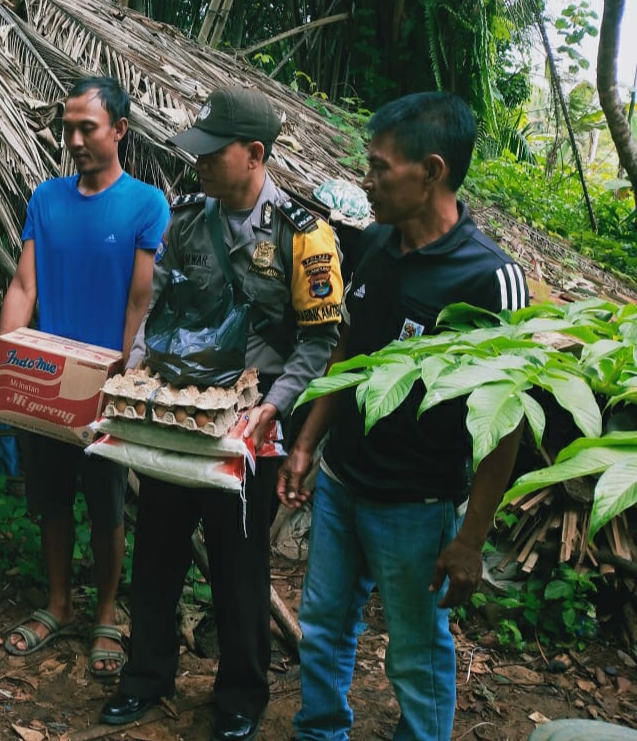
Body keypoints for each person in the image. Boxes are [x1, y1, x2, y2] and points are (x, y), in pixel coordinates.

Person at [277, 92, 529, 741]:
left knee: (417, 653)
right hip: (341, 482)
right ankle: (319, 731)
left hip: (415, 506)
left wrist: (470, 537)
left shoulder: (489, 279)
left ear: (433, 171)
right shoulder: (373, 245)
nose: (367, 179)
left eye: (381, 167)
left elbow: (504, 422)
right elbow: (346, 346)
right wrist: (308, 443)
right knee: (325, 623)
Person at [100, 86, 344, 741]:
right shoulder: (185, 219)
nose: (199, 163)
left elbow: (320, 339)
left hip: (251, 420)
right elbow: (162, 306)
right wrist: (139, 364)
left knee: (239, 565)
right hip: (178, 410)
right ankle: (145, 678)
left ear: (256, 154)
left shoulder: (304, 237)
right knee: (156, 550)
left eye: (214, 152)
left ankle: (241, 694)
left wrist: (273, 406)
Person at [0, 76, 171, 677]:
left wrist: (118, 375)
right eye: (66, 128)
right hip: (46, 380)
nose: (72, 139)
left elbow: (139, 301)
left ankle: (105, 614)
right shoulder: (45, 198)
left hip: (106, 385)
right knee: (50, 500)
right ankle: (57, 604)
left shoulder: (148, 204)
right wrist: (8, 358)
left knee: (106, 505)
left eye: (86, 127)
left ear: (119, 130)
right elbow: (25, 285)